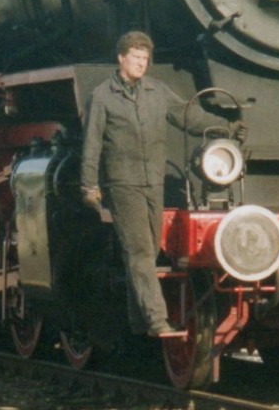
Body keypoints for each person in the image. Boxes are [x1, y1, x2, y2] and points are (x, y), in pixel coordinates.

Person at [80, 31, 237, 338]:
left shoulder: (158, 91)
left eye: (146, 59)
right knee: (139, 251)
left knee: (149, 251)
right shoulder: (102, 96)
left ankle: (137, 321)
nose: (142, 64)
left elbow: (188, 117)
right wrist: (89, 186)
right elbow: (91, 145)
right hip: (122, 184)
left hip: (154, 181)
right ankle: (156, 321)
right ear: (121, 58)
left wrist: (225, 128)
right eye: (136, 58)